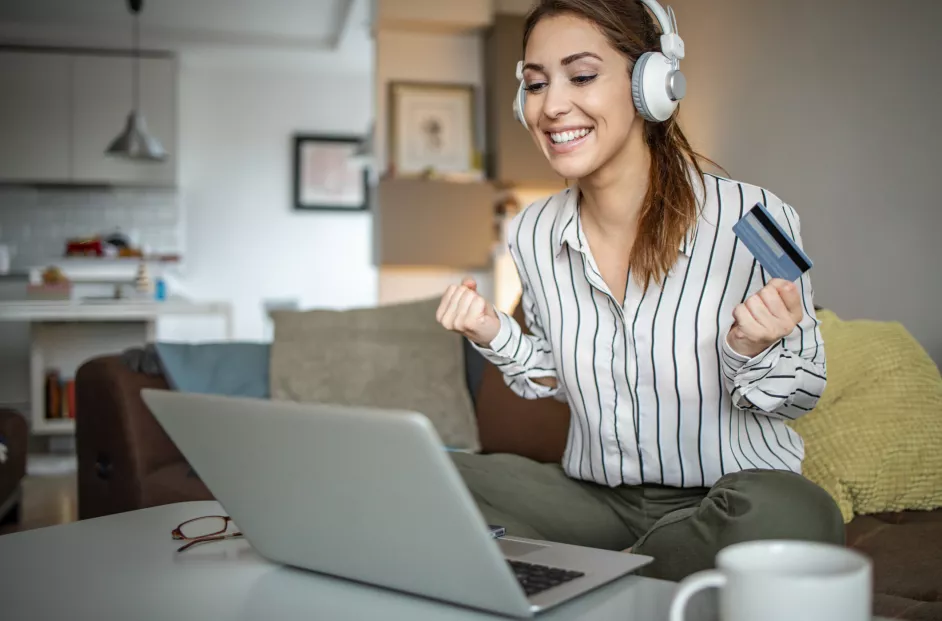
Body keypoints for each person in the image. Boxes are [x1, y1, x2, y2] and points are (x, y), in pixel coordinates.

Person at [435, 0, 843, 581]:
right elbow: (551, 377)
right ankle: (640, 564)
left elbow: (804, 391)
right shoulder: (532, 231)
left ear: (652, 84)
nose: (552, 106)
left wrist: (752, 351)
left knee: (795, 516)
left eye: (581, 76)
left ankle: (596, 571)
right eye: (535, 83)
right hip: (596, 498)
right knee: (430, 475)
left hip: (724, 497)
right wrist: (493, 332)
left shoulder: (754, 214)